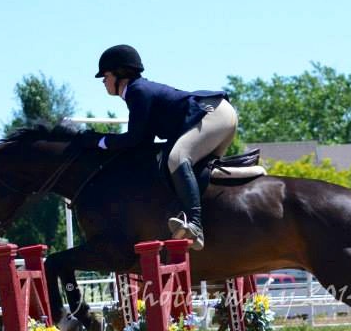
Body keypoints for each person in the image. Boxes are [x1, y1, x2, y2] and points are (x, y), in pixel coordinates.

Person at [77, 44, 238, 250]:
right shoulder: (139, 91)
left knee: (176, 158)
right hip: (216, 113)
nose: (103, 81)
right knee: (193, 169)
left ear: (119, 74)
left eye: (105, 76)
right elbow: (143, 142)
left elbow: (133, 139)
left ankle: (195, 224)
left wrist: (98, 141)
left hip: (213, 113)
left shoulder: (137, 91)